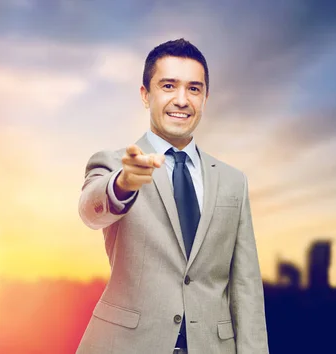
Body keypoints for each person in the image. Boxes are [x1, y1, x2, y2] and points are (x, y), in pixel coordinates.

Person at [77, 38, 269, 354]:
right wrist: (123, 184)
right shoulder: (114, 164)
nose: (182, 99)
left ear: (205, 98)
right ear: (145, 94)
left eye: (194, 89)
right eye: (168, 86)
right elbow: (90, 210)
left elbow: (246, 286)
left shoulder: (233, 181)